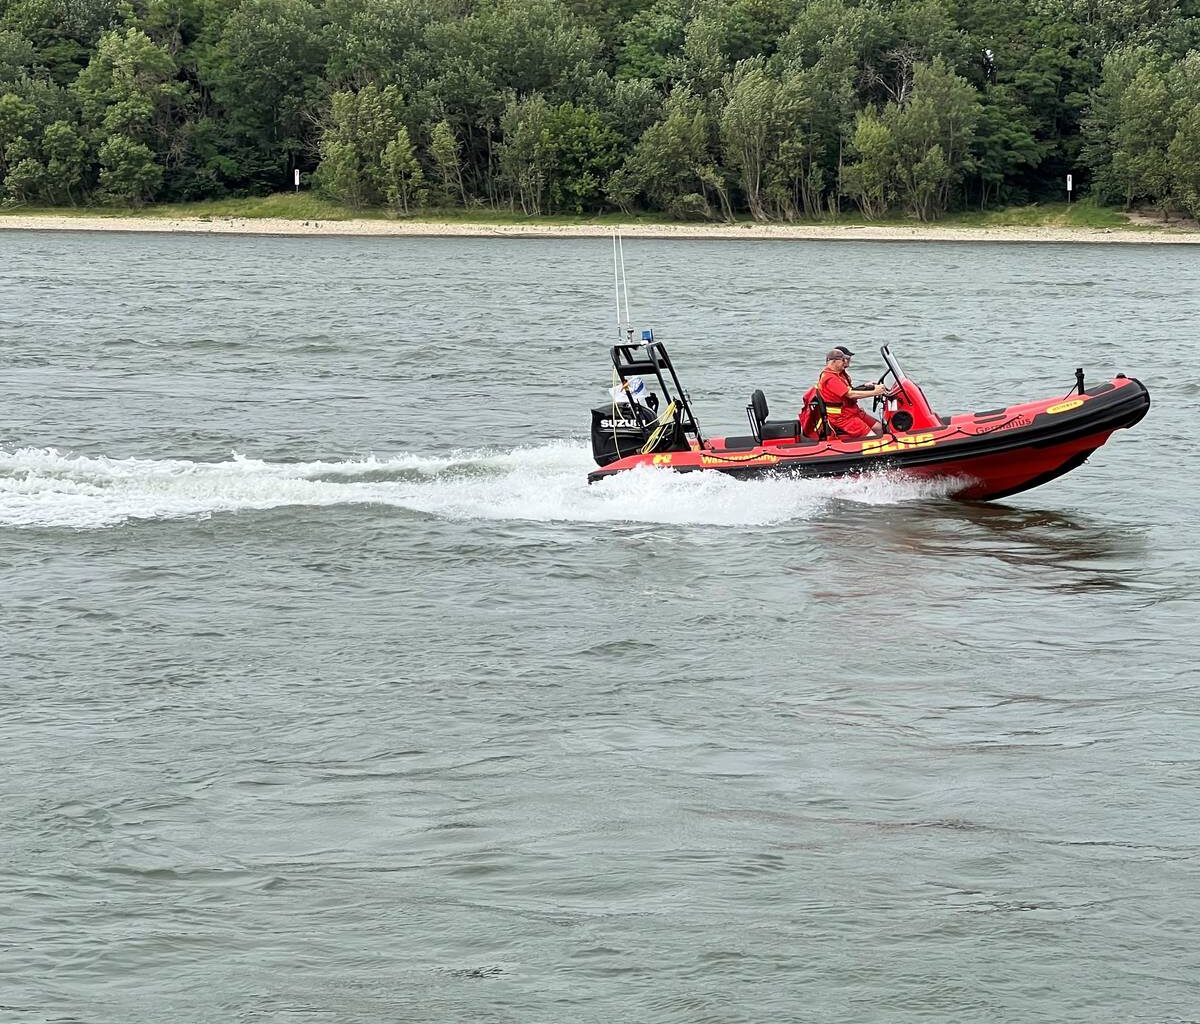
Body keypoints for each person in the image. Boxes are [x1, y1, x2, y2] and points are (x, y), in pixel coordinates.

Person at [814, 347, 887, 438]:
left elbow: (850, 390)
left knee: (878, 427)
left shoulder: (840, 374)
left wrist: (867, 387)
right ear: (833, 362)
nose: (845, 362)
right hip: (842, 417)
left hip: (851, 410)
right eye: (842, 360)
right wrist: (875, 392)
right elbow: (851, 394)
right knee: (870, 436)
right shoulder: (830, 378)